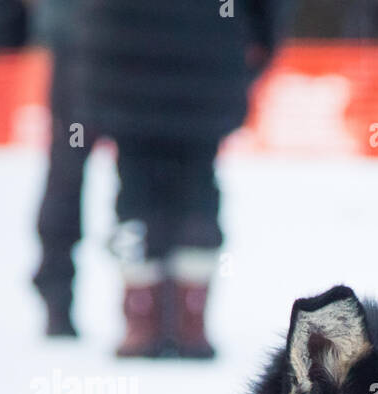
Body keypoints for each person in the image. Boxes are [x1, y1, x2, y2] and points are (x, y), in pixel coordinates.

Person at [73, 0, 287, 358]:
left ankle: (141, 318)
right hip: (208, 55)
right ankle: (191, 321)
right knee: (198, 190)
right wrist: (261, 40)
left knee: (134, 192)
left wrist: (92, 46)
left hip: (124, 51)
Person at [32, 0, 92, 337]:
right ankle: (153, 313)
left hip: (79, 37)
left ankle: (55, 289)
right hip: (91, 41)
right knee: (67, 173)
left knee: (66, 172)